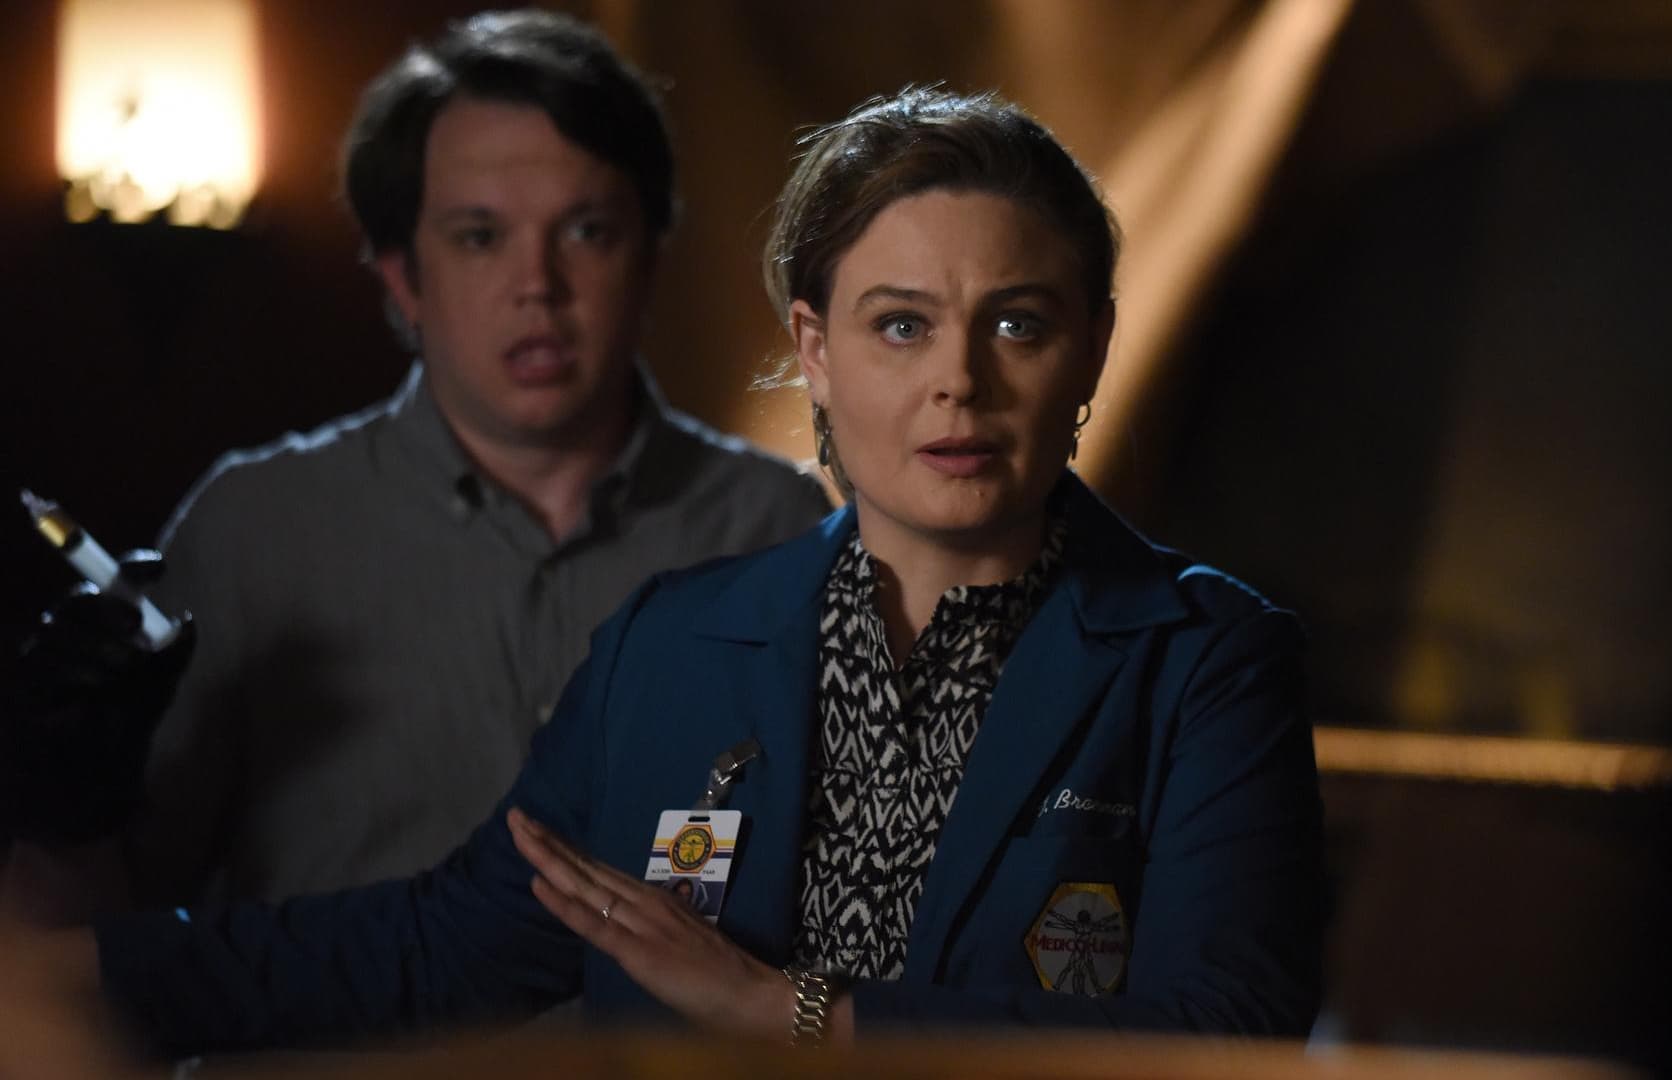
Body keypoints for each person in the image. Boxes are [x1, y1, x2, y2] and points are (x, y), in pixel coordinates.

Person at [10, 86, 1321, 1058]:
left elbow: (1224, 1031)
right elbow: (439, 944)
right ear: (816, 350)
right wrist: (79, 972)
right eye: (901, 325)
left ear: (1091, 349)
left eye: (1017, 324)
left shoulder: (1205, 660)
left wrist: (790, 1013)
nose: (958, 383)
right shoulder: (673, 645)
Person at [0, 10, 827, 917]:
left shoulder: (776, 527)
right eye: (480, 236)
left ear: (650, 253)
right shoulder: (258, 531)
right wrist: (67, 805)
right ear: (402, 277)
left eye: (587, 230)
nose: (537, 286)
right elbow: (111, 922)